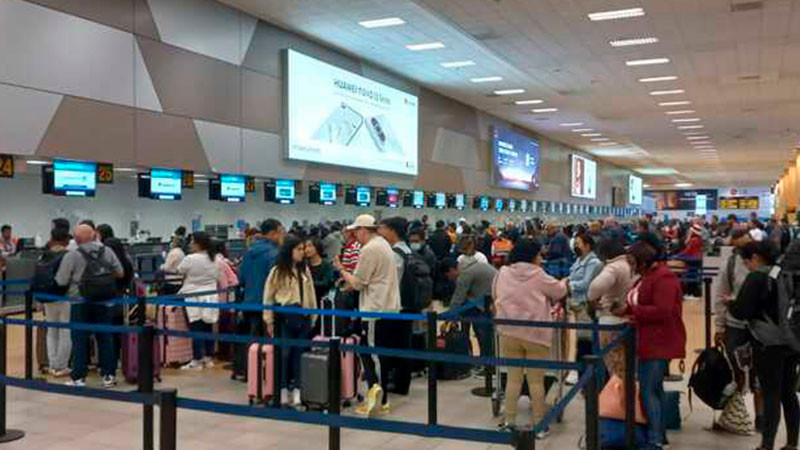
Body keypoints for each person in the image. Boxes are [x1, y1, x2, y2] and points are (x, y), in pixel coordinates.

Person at [494, 237, 567, 437]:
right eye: (539, 255)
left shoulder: (502, 272)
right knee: (536, 381)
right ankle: (539, 425)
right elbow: (559, 292)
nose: (540, 258)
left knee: (513, 379)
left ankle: (509, 422)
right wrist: (565, 282)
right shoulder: (539, 274)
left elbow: (495, 294)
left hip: (509, 331)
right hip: (536, 334)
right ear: (533, 256)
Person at [618, 235, 686, 450]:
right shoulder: (648, 276)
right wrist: (626, 310)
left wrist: (634, 312)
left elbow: (663, 311)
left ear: (643, 260)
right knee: (654, 389)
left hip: (659, 341)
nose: (630, 266)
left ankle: (655, 439)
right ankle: (659, 435)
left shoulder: (663, 278)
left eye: (633, 261)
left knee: (648, 390)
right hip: (650, 339)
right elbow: (641, 301)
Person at [730, 241, 800, 450]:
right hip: (793, 340)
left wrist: (730, 303)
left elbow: (741, 311)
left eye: (746, 261)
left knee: (771, 393)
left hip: (768, 342)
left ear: (756, 258)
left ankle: (767, 444)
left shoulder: (757, 277)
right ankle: (791, 442)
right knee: (789, 393)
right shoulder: (787, 275)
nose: (747, 265)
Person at [336, 214, 401, 417]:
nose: (355, 236)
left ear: (364, 230)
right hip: (388, 308)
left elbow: (358, 282)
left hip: (375, 309)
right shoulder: (384, 244)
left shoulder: (370, 249)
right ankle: (383, 399)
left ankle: (378, 401)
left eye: (356, 231)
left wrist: (341, 270)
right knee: (380, 355)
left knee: (373, 356)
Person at [56, 224, 124, 387]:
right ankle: (108, 375)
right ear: (94, 236)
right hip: (104, 301)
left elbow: (61, 280)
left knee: (79, 339)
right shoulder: (107, 251)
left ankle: (79, 377)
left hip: (80, 302)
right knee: (105, 337)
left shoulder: (72, 255)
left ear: (76, 239)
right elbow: (120, 272)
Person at [263, 236, 317, 407]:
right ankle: (283, 389)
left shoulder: (304, 270)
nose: (303, 252)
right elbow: (268, 297)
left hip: (303, 317)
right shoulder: (277, 271)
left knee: (299, 355)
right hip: (284, 318)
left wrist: (313, 315)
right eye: (299, 249)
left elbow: (311, 293)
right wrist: (269, 320)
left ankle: (298, 390)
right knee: (284, 355)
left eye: (303, 249)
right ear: (289, 250)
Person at [234, 219, 284, 378]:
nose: (282, 236)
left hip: (249, 302)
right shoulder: (275, 254)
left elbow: (241, 278)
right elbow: (277, 282)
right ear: (273, 233)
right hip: (268, 304)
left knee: (251, 340)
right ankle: (265, 374)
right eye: (281, 232)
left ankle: (247, 371)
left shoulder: (249, 252)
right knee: (268, 342)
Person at [444, 234, 498, 372]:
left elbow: (458, 297)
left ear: (452, 270)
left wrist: (447, 318)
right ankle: (485, 364)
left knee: (483, 334)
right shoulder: (474, 263)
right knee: (484, 334)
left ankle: (488, 367)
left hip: (483, 305)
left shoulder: (468, 271)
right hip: (485, 301)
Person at [377, 217, 414, 396]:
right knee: (404, 344)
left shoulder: (394, 254)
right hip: (408, 304)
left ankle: (396, 383)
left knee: (392, 345)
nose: (380, 232)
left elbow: (390, 282)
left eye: (382, 228)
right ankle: (401, 382)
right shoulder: (408, 250)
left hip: (396, 306)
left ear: (392, 230)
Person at [587, 237, 633, 381]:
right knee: (625, 365)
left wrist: (591, 298)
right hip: (626, 317)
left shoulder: (613, 267)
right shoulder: (628, 264)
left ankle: (617, 393)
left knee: (614, 366)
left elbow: (595, 287)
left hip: (610, 318)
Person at [177, 232, 221, 371]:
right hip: (211, 296)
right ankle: (208, 358)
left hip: (193, 296)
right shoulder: (216, 258)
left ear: (198, 243)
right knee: (208, 327)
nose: (190, 244)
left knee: (196, 328)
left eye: (192, 241)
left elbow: (179, 270)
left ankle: (197, 360)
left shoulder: (190, 258)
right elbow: (218, 276)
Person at [566, 232, 603, 380]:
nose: (575, 246)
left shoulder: (593, 263)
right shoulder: (578, 260)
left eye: (578, 243)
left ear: (587, 246)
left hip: (584, 306)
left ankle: (585, 375)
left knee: (584, 341)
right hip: (575, 305)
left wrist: (569, 285)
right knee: (576, 341)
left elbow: (587, 283)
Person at [43, 228, 72, 377]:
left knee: (51, 331)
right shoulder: (68, 255)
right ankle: (62, 366)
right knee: (65, 331)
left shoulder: (44, 254)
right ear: (66, 240)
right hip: (65, 297)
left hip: (47, 297)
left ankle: (52, 364)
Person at [305, 237, 335, 307]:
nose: (307, 250)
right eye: (305, 247)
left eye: (310, 246)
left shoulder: (327, 265)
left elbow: (325, 283)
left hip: (322, 300)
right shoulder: (304, 265)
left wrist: (308, 284)